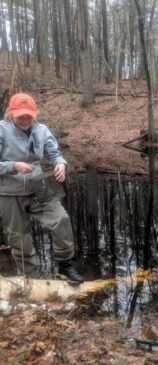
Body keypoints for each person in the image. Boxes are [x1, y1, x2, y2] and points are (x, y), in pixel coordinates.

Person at [0, 93, 84, 285]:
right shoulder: (2, 130)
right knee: (18, 236)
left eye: (28, 114)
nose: (25, 118)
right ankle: (32, 277)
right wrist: (13, 166)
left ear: (34, 113)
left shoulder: (42, 130)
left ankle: (65, 265)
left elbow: (55, 154)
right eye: (20, 114)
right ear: (11, 113)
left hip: (38, 187)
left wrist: (61, 165)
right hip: (8, 192)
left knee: (60, 219)